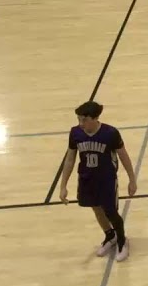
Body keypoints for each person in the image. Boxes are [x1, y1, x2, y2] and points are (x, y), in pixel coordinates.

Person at [57, 101, 137, 263]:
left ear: (95, 118)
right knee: (96, 209)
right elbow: (70, 159)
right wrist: (63, 185)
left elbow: (123, 155)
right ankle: (110, 236)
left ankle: (122, 240)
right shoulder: (75, 134)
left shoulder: (110, 133)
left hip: (106, 179)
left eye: (84, 120)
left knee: (111, 212)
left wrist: (132, 179)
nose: (81, 123)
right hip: (87, 178)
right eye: (79, 119)